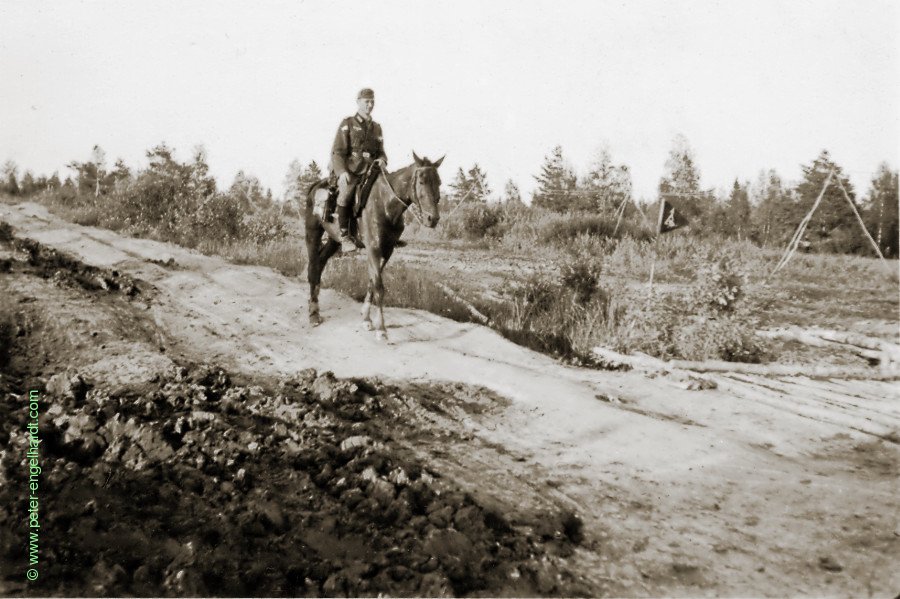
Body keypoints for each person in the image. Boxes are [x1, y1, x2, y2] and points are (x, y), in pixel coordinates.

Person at [330, 88, 387, 253]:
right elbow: (338, 151)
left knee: (389, 191)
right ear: (358, 102)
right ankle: (345, 236)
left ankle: (388, 233)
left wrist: (382, 160)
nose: (370, 105)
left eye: (372, 102)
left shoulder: (377, 128)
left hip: (372, 170)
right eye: (366, 102)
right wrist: (342, 172)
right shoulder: (347, 123)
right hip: (352, 170)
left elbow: (382, 151)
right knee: (346, 193)